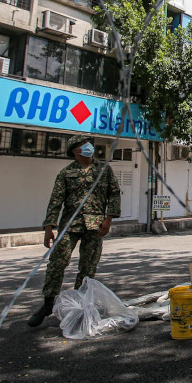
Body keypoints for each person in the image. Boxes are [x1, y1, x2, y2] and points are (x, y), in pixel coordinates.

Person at [28, 134, 121, 327]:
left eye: (88, 143)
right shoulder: (66, 173)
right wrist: (48, 227)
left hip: (95, 225)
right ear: (75, 151)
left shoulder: (104, 169)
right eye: (83, 145)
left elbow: (114, 193)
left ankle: (80, 306)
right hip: (69, 225)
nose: (89, 147)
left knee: (88, 268)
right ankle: (47, 303)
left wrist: (109, 219)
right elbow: (55, 201)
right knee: (57, 264)